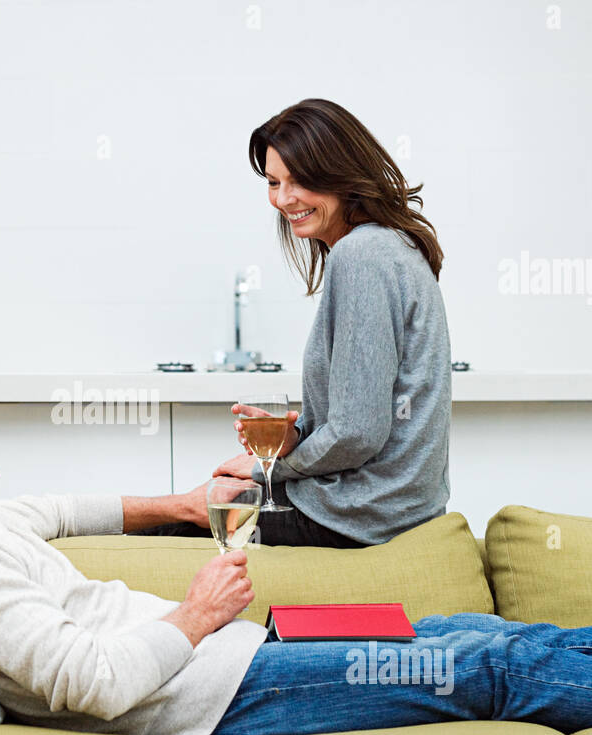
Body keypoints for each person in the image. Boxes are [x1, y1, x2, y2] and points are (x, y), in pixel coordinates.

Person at [0, 365, 592, 735]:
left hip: (235, 654)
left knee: (468, 629)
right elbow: (93, 682)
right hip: (221, 694)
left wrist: (178, 504)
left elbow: (67, 510)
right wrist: (196, 613)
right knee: (482, 667)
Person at [152, 98, 451, 549]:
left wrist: (266, 469)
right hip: (386, 509)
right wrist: (296, 437)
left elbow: (357, 434)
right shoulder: (390, 246)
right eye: (274, 182)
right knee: (202, 501)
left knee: (169, 527)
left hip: (357, 517)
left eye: (302, 180)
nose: (284, 199)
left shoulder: (362, 255)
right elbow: (364, 417)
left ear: (341, 174)